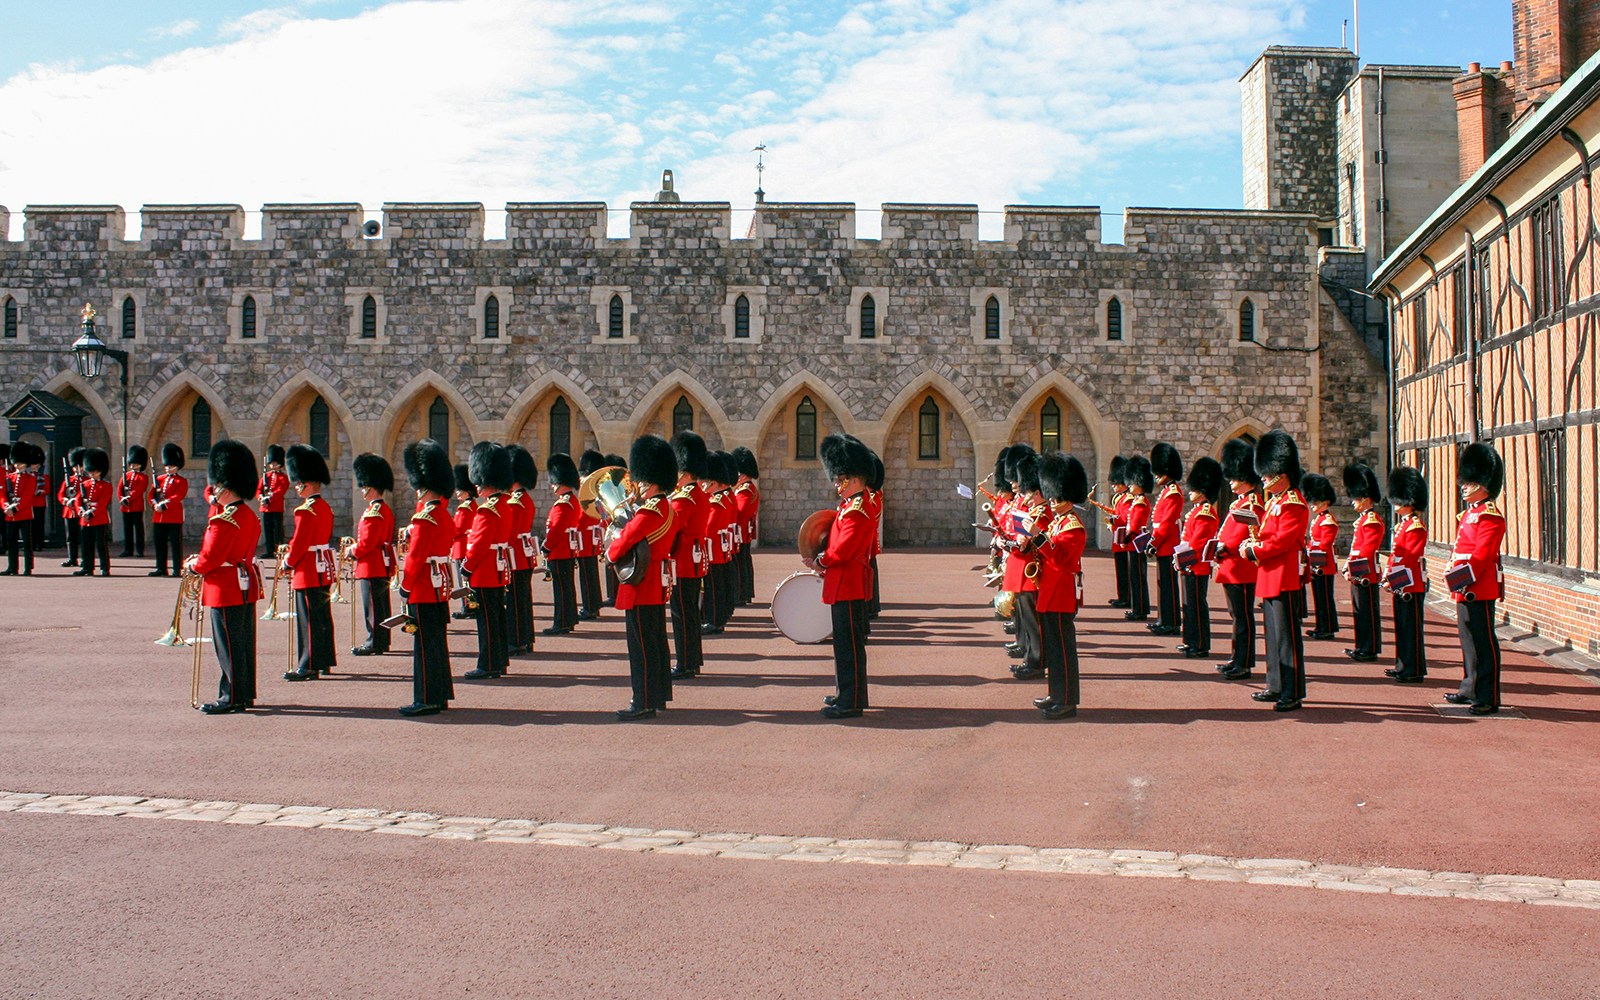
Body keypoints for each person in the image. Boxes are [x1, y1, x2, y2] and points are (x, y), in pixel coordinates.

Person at [187, 440, 262, 714]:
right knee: (242, 644)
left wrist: (195, 565)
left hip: (225, 587)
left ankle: (230, 696)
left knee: (227, 645)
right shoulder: (248, 516)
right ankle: (243, 694)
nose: (214, 491)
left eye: (218, 487)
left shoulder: (223, 520)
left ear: (226, 487)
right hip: (244, 585)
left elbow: (211, 558)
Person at [608, 435, 680, 720]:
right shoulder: (667, 509)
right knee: (655, 641)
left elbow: (624, 542)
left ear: (648, 482)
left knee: (641, 647)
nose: (636, 487)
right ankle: (658, 693)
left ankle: (643, 700)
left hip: (642, 583)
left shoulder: (649, 511)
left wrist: (611, 552)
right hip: (654, 583)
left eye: (639, 481)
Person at [806, 433, 876, 719]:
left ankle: (851, 701)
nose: (837, 484)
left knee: (849, 647)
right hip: (843, 583)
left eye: (841, 478)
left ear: (855, 479)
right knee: (845, 645)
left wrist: (820, 560)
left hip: (848, 584)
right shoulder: (849, 507)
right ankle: (849, 693)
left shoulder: (857, 510)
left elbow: (842, 551)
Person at [1240, 430, 1309, 711]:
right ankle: (1275, 684)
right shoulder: (1275, 503)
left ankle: (1291, 692)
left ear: (1282, 473)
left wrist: (1255, 550)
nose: (1264, 480)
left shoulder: (1293, 503)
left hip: (1284, 574)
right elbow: (1270, 536)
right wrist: (1253, 541)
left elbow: (1283, 541)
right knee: (1272, 634)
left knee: (1286, 637)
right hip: (1270, 573)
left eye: (1268, 475)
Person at [397, 439, 457, 716]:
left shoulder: (424, 518)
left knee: (424, 645)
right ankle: (440, 693)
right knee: (437, 643)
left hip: (422, 587)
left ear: (420, 486)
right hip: (440, 586)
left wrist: (404, 586)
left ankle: (426, 697)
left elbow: (415, 558)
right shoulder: (443, 516)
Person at [1447, 443, 1507, 715]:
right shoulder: (1469, 514)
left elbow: (1482, 556)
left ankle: (1488, 696)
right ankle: (1469, 687)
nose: (1464, 486)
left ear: (1483, 484)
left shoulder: (1490, 516)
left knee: (1483, 642)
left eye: (1469, 482)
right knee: (1467, 639)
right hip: (1463, 585)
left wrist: (1459, 578)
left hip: (1478, 587)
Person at [1031, 452, 1089, 719]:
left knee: (1063, 650)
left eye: (1055, 497)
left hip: (1061, 594)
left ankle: (1066, 700)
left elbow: (1063, 561)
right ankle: (1056, 693)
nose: (1051, 502)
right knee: (1053, 648)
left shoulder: (1073, 526)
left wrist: (1040, 540)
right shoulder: (1058, 522)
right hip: (1049, 591)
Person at [281, 445, 337, 681]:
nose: (296, 487)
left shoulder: (305, 511)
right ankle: (324, 660)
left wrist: (287, 561)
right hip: (322, 567)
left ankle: (309, 664)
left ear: (306, 483)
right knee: (322, 616)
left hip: (307, 569)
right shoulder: (324, 507)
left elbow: (299, 543)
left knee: (309, 620)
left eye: (298, 483)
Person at [1213, 438, 1263, 680]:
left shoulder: (1253, 502)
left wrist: (1224, 547)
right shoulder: (1240, 502)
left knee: (1243, 617)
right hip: (1231, 566)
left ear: (1244, 478)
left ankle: (1244, 663)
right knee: (1236, 617)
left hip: (1241, 567)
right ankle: (1237, 658)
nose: (1231, 481)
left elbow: (1245, 533)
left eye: (1234, 477)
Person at [463, 442, 513, 679]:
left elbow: (479, 545)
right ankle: (499, 660)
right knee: (497, 617)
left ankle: (488, 664)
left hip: (484, 571)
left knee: (487, 620)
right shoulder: (505, 505)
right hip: (498, 568)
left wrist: (466, 567)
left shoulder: (487, 510)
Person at [668, 431, 711, 679]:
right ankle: (692, 660)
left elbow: (671, 529)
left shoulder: (684, 498)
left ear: (683, 471)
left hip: (682, 562)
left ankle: (685, 663)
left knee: (682, 615)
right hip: (692, 560)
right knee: (690, 615)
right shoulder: (699, 494)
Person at [1005, 450, 1051, 680]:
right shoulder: (1035, 509)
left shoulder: (1044, 511)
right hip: (1025, 568)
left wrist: (1024, 540)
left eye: (1031, 492)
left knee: (1035, 623)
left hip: (1034, 571)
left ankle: (1036, 662)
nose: (1028, 496)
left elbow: (1042, 540)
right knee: (1029, 619)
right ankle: (1032, 658)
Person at [347, 453, 397, 657]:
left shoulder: (373, 512)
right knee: (381, 605)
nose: (362, 491)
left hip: (371, 564)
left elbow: (368, 543)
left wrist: (353, 551)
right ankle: (382, 640)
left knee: (373, 607)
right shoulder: (383, 509)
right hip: (380, 563)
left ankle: (374, 641)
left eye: (364, 487)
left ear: (370, 487)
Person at [1384, 465, 1430, 685]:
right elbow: (1395, 556)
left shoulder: (1415, 526)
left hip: (1410, 584)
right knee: (1402, 627)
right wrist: (1389, 576)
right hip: (1401, 582)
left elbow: (1409, 558)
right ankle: (1403, 665)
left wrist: (1394, 577)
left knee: (1411, 628)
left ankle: (1413, 669)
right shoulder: (1403, 526)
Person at [1177, 456, 1222, 659]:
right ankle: (1190, 640)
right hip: (1188, 563)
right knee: (1188, 604)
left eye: (1194, 490)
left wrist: (1183, 560)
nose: (1190, 493)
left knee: (1196, 605)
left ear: (1203, 491)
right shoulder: (1197, 511)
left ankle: (1201, 644)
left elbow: (1198, 543)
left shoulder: (1206, 513)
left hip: (1196, 565)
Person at [1342, 463, 1385, 663]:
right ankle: (1362, 645)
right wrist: (1348, 565)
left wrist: (1353, 567)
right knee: (1359, 611)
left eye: (1356, 498)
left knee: (1367, 612)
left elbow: (1367, 550)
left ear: (1366, 499)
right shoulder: (1362, 520)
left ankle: (1369, 647)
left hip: (1365, 573)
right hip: (1358, 571)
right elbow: (1356, 548)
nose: (1353, 502)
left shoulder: (1372, 521)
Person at [503, 444, 539, 656]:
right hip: (522, 557)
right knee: (523, 600)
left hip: (513, 557)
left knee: (515, 602)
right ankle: (526, 638)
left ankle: (516, 641)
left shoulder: (515, 502)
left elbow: (509, 534)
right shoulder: (525, 499)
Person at [543, 453, 583, 635]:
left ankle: (561, 622)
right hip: (566, 550)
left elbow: (557, 530)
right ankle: (569, 619)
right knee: (567, 588)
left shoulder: (563, 504)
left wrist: (546, 547)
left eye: (554, 482)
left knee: (561, 590)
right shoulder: (571, 501)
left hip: (559, 551)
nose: (552, 485)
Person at [1148, 442, 1185, 637]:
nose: (1156, 476)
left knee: (1169, 586)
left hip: (1168, 544)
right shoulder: (1166, 492)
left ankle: (1171, 622)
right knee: (1163, 584)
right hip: (1162, 543)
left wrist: (1155, 541)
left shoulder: (1173, 493)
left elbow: (1166, 523)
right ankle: (1164, 619)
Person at [1301, 473, 1340, 640]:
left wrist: (1311, 550)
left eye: (1316, 502)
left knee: (1325, 598)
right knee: (1319, 598)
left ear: (1325, 502)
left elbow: (1325, 543)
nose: (1312, 505)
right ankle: (1321, 625)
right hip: (1316, 563)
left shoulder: (1328, 521)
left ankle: (1327, 628)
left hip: (1324, 564)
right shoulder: (1319, 519)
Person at [1121, 455, 1154, 622]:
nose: (1129, 486)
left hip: (1136, 543)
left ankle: (1140, 610)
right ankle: (1138, 607)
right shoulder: (1137, 500)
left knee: (1138, 578)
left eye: (1132, 483)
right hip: (1133, 543)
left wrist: (1126, 537)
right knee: (1135, 577)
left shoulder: (1141, 502)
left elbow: (1135, 525)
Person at [575, 449, 607, 621]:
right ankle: (594, 603)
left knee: (586, 575)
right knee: (591, 572)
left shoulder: (586, 490)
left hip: (583, 537)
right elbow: (602, 514)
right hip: (593, 535)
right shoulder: (597, 490)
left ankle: (590, 607)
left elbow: (581, 515)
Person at [149, 444, 188, 577]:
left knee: (175, 544)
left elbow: (178, 496)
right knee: (160, 543)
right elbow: (151, 494)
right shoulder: (159, 479)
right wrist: (155, 504)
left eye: (171, 466)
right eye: (167, 466)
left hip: (173, 516)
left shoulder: (181, 481)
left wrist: (165, 504)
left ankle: (177, 568)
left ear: (177, 466)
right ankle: (161, 567)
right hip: (158, 516)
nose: (168, 469)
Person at [731, 446, 761, 606]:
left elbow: (739, 512)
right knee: (743, 562)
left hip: (739, 533)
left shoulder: (745, 490)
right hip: (743, 532)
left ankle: (741, 595)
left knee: (739, 564)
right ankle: (745, 593)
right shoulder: (747, 489)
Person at [2, 442, 37, 576]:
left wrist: (15, 508)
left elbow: (28, 496)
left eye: (20, 462)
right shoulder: (9, 477)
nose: (17, 465)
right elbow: (2, 494)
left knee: (27, 543)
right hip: (10, 514)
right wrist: (6, 506)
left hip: (24, 513)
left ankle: (28, 567)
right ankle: (12, 567)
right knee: (11, 542)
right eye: (16, 462)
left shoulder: (30, 478)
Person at [77, 448, 113, 576]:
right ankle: (87, 567)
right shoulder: (85, 485)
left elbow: (102, 503)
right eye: (91, 471)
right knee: (86, 545)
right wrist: (81, 511)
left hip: (99, 518)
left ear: (100, 471)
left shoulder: (106, 485)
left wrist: (90, 513)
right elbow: (78, 500)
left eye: (95, 471)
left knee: (101, 545)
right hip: (85, 519)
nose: (92, 473)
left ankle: (104, 568)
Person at [1105, 455, 1131, 608]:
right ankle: (1122, 596)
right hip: (1118, 539)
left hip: (1125, 541)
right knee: (1120, 571)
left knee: (1125, 572)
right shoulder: (1119, 498)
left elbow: (1125, 518)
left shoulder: (1128, 498)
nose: (1114, 485)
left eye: (1116, 482)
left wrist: (1113, 521)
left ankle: (1126, 597)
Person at [450, 464, 476, 620]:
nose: (457, 492)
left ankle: (468, 606)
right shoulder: (470, 505)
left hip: (461, 547)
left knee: (463, 580)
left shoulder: (465, 508)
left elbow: (457, 529)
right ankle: (468, 605)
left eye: (460, 489)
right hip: (464, 546)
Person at [117, 445, 150, 557]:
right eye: (131, 464)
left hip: (136, 506)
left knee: (139, 529)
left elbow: (139, 490)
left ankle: (140, 550)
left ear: (140, 464)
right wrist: (121, 498)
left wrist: (128, 498)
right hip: (125, 506)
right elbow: (119, 488)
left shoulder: (143, 477)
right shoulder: (126, 476)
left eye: (135, 464)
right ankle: (128, 549)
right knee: (127, 529)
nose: (133, 466)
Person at [259, 444, 289, 557]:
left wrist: (269, 498)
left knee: (277, 530)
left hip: (276, 507)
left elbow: (281, 491)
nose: (272, 465)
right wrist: (261, 497)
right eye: (271, 463)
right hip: (266, 508)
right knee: (268, 530)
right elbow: (259, 489)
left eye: (274, 463)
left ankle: (279, 549)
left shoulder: (283, 477)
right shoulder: (266, 476)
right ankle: (270, 550)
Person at [58, 448, 86, 568]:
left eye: (80, 466)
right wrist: (65, 500)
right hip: (69, 512)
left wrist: (74, 501)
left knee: (83, 537)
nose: (77, 469)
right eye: (75, 467)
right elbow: (60, 494)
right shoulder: (69, 480)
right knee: (70, 537)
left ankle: (85, 558)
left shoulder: (86, 480)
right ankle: (72, 558)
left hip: (81, 512)